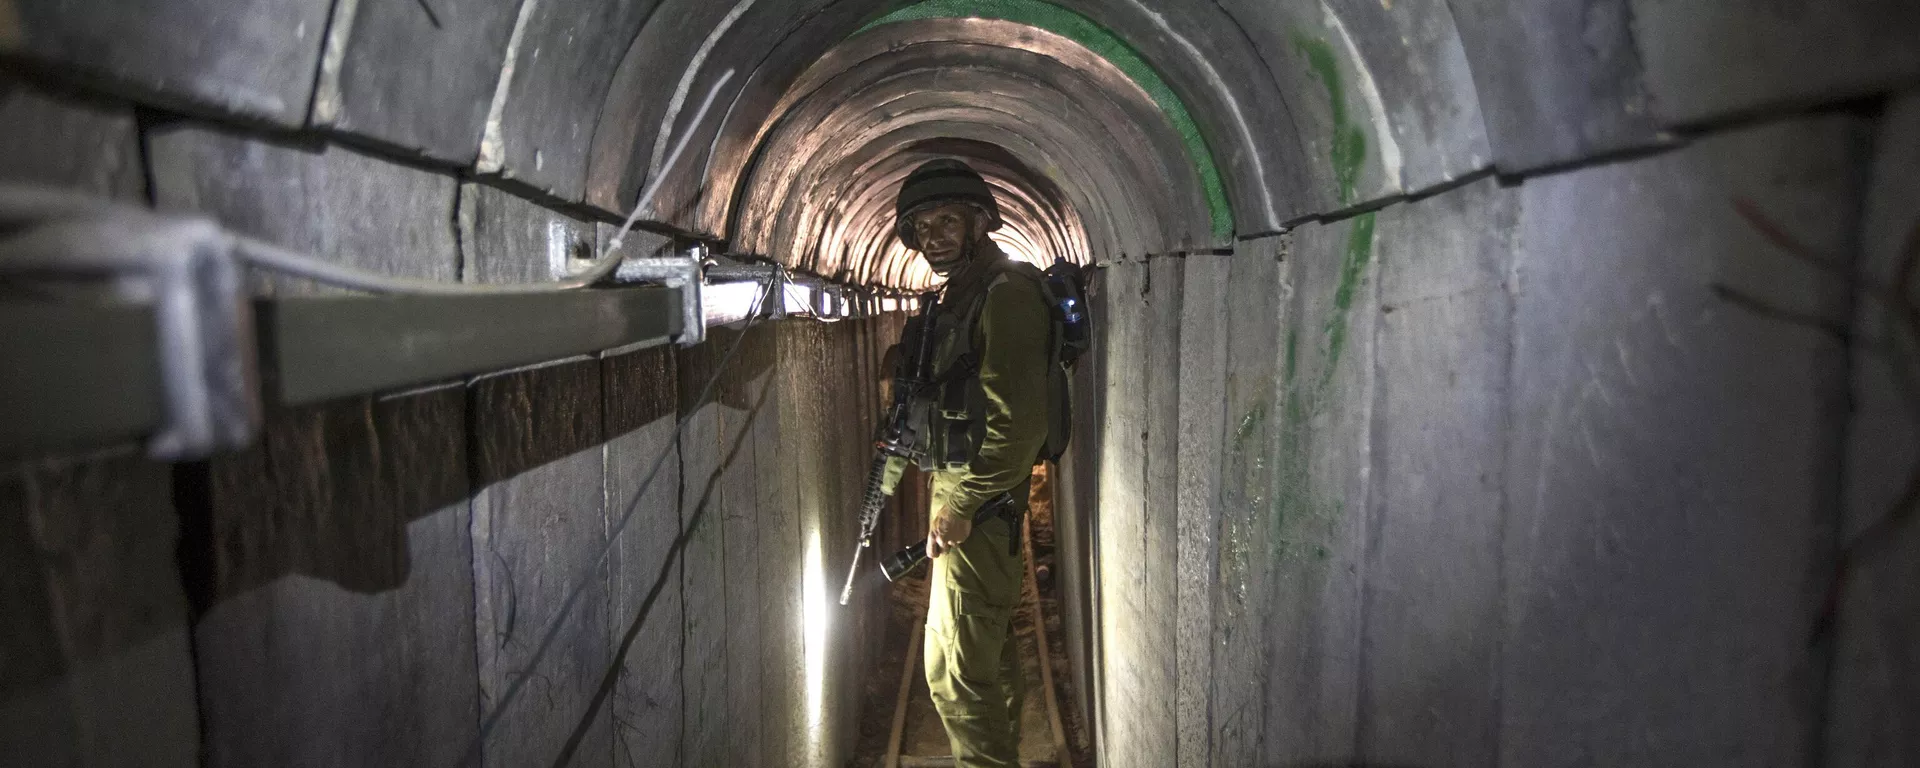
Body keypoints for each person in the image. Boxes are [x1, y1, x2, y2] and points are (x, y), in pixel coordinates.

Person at [895, 158, 1051, 768]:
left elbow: (1019, 423)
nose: (935, 236)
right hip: (967, 491)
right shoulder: (966, 292)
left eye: (947, 221)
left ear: (979, 222)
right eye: (923, 227)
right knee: (980, 654)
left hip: (980, 497)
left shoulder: (1006, 294)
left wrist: (960, 505)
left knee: (954, 675)